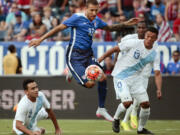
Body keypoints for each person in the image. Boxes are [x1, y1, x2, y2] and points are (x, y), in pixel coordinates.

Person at [29, 0, 140, 122]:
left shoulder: (96, 20)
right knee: (90, 84)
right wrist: (40, 39)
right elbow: (59, 28)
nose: (93, 13)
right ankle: (71, 70)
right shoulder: (77, 18)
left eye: (96, 10)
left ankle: (101, 109)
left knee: (103, 78)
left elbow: (109, 28)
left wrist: (125, 24)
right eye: (91, 10)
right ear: (86, 8)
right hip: (75, 56)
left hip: (88, 55)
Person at [98, 27, 162, 134]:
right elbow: (115, 49)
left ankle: (141, 129)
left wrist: (159, 89)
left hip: (136, 79)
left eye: (152, 37)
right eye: (148, 36)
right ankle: (116, 119)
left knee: (146, 104)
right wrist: (101, 58)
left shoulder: (154, 54)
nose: (149, 39)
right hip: (121, 76)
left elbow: (157, 73)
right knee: (128, 102)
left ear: (156, 39)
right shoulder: (134, 43)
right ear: (145, 36)